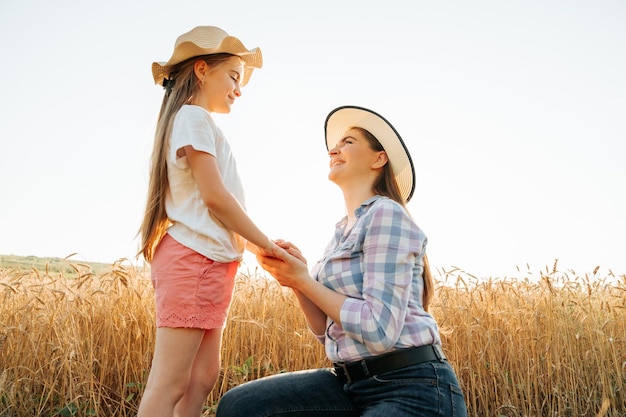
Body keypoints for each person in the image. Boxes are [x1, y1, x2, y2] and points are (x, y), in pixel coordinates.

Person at [216, 106, 468, 417]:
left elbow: (378, 330)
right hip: (350, 384)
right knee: (242, 406)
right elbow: (325, 329)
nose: (334, 149)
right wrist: (297, 280)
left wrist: (304, 281)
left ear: (379, 158)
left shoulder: (386, 214)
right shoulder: (340, 233)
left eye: (348, 142)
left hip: (413, 388)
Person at [136, 26, 279, 417]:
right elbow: (216, 199)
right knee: (170, 383)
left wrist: (255, 247)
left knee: (203, 375)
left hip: (211, 262)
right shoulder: (193, 117)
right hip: (194, 260)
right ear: (202, 70)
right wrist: (265, 242)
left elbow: (217, 209)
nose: (239, 88)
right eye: (233, 76)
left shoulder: (198, 122)